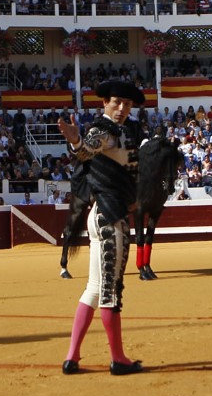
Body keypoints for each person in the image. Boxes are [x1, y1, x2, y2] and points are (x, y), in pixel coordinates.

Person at [56, 79, 146, 376]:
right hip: (110, 217)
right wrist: (76, 142)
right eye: (117, 102)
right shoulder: (104, 130)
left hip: (101, 215)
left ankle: (72, 356)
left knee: (94, 289)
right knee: (111, 291)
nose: (122, 108)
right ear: (104, 103)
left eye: (128, 104)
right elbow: (87, 150)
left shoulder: (121, 132)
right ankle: (118, 358)